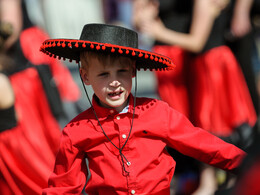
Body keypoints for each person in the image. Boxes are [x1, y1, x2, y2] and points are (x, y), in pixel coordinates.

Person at [40, 23, 246, 195]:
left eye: (121, 72)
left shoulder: (157, 112)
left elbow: (206, 145)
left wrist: (249, 165)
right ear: (85, 77)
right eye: (103, 75)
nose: (114, 82)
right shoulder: (75, 131)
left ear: (132, 72)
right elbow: (63, 187)